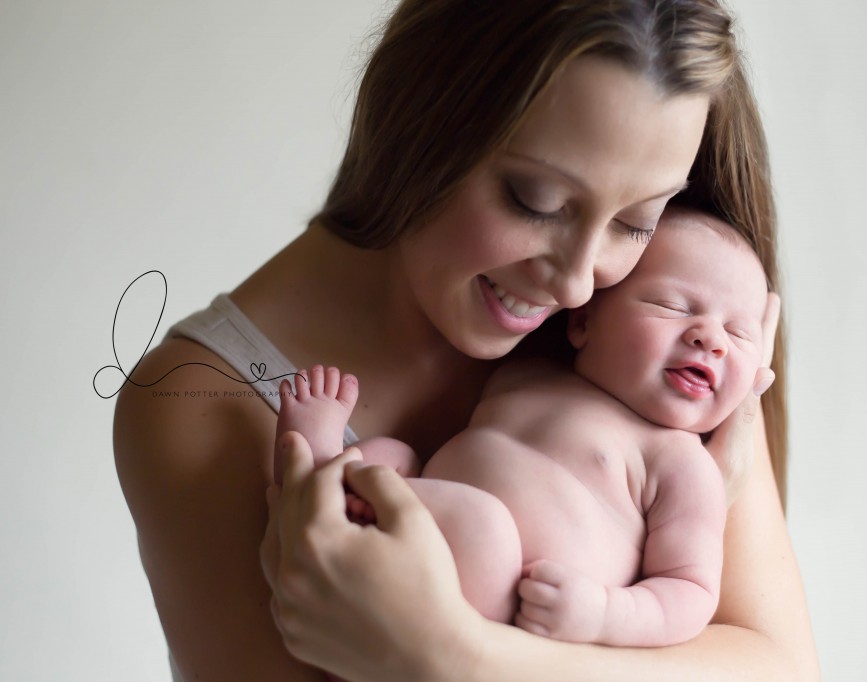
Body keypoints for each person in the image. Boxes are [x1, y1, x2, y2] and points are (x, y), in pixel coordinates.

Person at [113, 1, 819, 680]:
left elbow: (780, 670)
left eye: (636, 221)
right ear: (419, 119)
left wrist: (456, 660)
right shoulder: (198, 402)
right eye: (535, 201)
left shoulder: (652, 332)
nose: (578, 284)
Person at [275, 209, 768, 648]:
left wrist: (601, 614)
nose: (712, 339)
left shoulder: (684, 464)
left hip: (499, 615)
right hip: (390, 578)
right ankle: (316, 483)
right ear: (583, 321)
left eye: (740, 333)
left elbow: (689, 590)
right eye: (674, 306)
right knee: (391, 454)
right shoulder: (526, 374)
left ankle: (323, 484)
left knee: (481, 523)